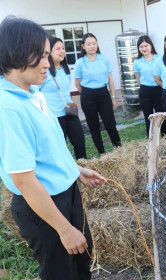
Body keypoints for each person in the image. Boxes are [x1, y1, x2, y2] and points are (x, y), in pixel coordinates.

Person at [0, 16, 106, 280]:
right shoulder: (8, 107)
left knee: (81, 263)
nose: (48, 63)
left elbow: (47, 151)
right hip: (43, 206)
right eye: (42, 55)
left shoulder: (32, 94)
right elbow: (24, 180)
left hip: (65, 193)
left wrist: (75, 170)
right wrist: (63, 228)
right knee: (60, 273)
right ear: (17, 52)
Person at [74, 33, 121, 156]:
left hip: (103, 94)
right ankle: (102, 153)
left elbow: (110, 79)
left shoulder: (103, 59)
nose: (92, 46)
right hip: (88, 96)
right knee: (94, 127)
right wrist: (86, 94)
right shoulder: (80, 62)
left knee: (110, 124)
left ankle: (119, 149)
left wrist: (113, 97)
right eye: (88, 44)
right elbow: (77, 83)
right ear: (83, 46)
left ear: (97, 44)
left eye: (94, 43)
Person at [40, 37, 86, 159]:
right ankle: (68, 175)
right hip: (54, 116)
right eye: (58, 49)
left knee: (80, 141)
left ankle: (84, 168)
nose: (62, 51)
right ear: (49, 52)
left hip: (70, 112)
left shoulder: (65, 69)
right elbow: (36, 93)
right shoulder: (44, 71)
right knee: (60, 147)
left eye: (63, 48)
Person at [133, 35, 163, 137]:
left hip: (159, 90)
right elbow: (138, 79)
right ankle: (151, 141)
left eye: (146, 46)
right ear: (138, 48)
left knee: (161, 117)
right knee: (148, 118)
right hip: (145, 91)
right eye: (141, 46)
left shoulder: (159, 58)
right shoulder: (137, 62)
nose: (144, 49)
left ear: (151, 45)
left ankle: (165, 140)